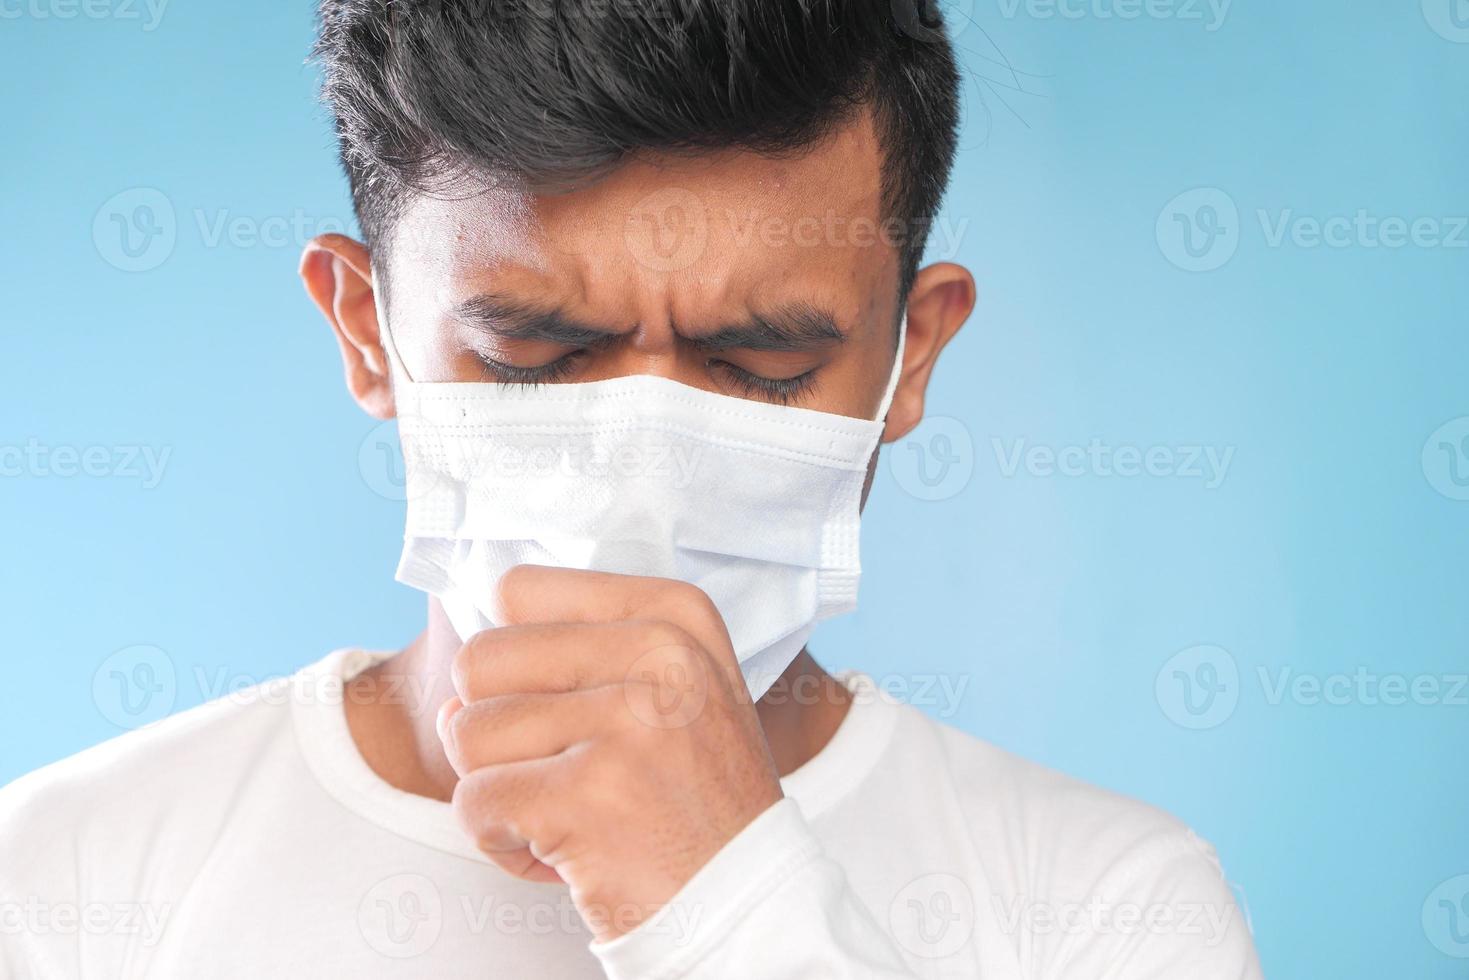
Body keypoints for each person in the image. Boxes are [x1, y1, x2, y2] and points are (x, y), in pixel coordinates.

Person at [0, 1, 1262, 977]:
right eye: (534, 358)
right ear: (365, 331)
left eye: (760, 365)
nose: (641, 469)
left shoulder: (1104, 905)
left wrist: (726, 896)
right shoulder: (65, 881)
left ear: (908, 356)